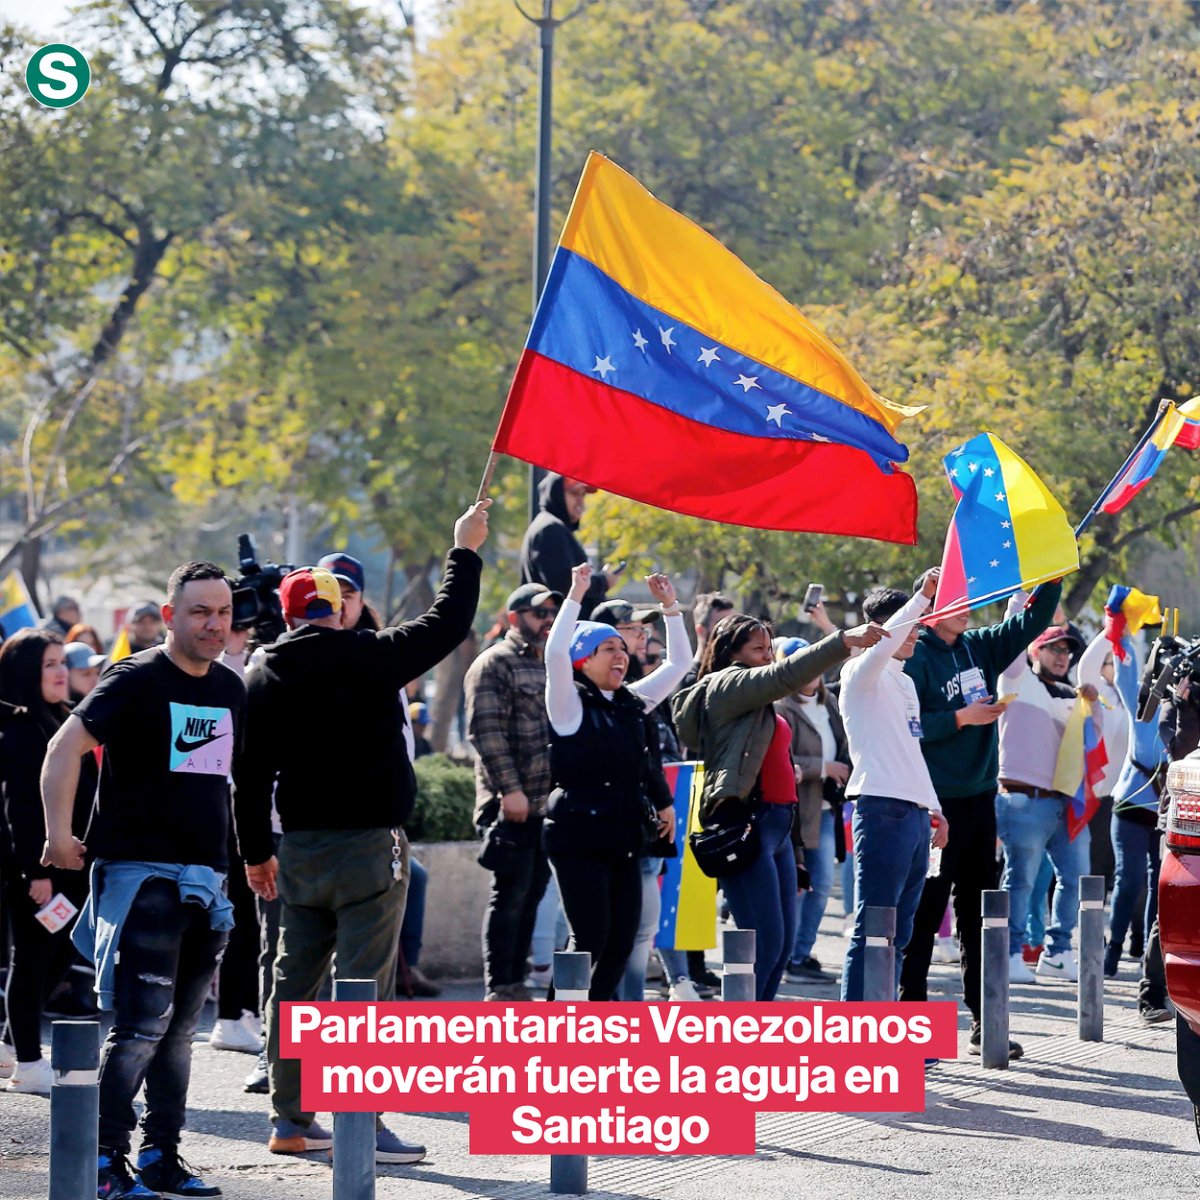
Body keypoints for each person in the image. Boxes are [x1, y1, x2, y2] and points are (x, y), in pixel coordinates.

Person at [233, 500, 488, 1166]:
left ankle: (290, 1120)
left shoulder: (263, 672)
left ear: (289, 615)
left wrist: (256, 853)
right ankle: (362, 1124)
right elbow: (449, 620)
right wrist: (464, 549)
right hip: (371, 847)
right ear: (337, 609)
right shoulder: (371, 655)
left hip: (298, 850)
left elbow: (248, 775)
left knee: (294, 980)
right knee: (365, 986)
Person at [42, 561, 245, 1200]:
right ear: (169, 616)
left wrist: (251, 858)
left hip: (207, 880)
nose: (214, 625)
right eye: (200, 612)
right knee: (142, 1027)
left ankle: (161, 1155)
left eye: (223, 613)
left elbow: (229, 781)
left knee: (181, 1033)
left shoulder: (230, 688)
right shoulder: (133, 678)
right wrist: (58, 836)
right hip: (143, 877)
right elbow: (62, 750)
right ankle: (102, 1160)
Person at [674, 611, 880, 1001]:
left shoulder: (759, 698)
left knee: (781, 945)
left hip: (779, 826)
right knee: (764, 943)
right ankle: (740, 1030)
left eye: (770, 649)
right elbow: (785, 675)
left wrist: (797, 853)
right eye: (759, 649)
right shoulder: (728, 684)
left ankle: (758, 1022)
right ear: (731, 653)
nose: (768, 656)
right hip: (746, 825)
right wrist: (842, 641)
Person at [896, 579, 1059, 1056]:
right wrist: (960, 718)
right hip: (933, 805)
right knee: (925, 914)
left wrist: (1053, 573)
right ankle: (911, 1027)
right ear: (929, 609)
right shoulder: (913, 657)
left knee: (979, 914)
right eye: (954, 601)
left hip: (979, 800)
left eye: (967, 599)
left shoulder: (979, 646)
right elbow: (905, 727)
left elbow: (1032, 620)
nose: (966, 608)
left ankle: (986, 1023)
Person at [542, 564, 687, 1000]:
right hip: (577, 837)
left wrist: (671, 608)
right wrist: (576, 593)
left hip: (623, 838)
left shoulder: (630, 703)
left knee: (621, 943)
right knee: (590, 939)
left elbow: (680, 663)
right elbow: (554, 655)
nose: (621, 655)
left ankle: (597, 1019)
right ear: (582, 659)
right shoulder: (568, 703)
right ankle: (555, 1024)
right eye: (608, 648)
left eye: (623, 648)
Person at [838, 571, 950, 1003]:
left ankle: (884, 1023)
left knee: (901, 932)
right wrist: (921, 597)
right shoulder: (858, 672)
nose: (916, 634)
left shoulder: (905, 681)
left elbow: (911, 750)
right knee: (874, 928)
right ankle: (856, 1027)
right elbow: (882, 646)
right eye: (911, 625)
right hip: (881, 810)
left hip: (915, 815)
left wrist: (935, 807)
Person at [0, 630, 96, 1094]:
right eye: (49, 664)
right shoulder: (18, 728)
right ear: (27, 672)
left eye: (62, 663)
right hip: (35, 870)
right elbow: (18, 807)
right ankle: (28, 1062)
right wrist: (34, 873)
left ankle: (8, 1043)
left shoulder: (63, 717)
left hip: (70, 868)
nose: (61, 673)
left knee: (62, 953)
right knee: (32, 960)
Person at [465, 582, 562, 1002]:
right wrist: (510, 791)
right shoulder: (494, 663)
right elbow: (485, 733)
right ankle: (499, 987)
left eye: (552, 612)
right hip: (510, 805)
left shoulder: (551, 663)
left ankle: (516, 984)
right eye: (539, 613)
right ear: (514, 618)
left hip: (544, 804)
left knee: (533, 893)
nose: (548, 620)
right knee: (510, 895)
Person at [994, 607, 1097, 984]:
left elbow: (1094, 745)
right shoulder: (1016, 678)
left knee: (1077, 878)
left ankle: (1057, 951)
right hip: (1023, 799)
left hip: (1064, 802)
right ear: (1033, 650)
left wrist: (1093, 704)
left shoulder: (1073, 696)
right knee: (1020, 880)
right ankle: (1008, 952)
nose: (1062, 656)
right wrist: (1027, 596)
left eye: (1067, 651)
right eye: (1054, 648)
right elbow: (1012, 629)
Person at [774, 637, 851, 986]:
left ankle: (801, 954)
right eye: (800, 663)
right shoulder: (780, 708)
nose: (811, 672)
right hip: (797, 812)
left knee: (820, 887)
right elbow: (783, 759)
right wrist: (823, 767)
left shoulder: (829, 701)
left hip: (826, 808)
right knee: (798, 888)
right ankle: (788, 956)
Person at [519, 473, 621, 619]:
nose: (581, 501)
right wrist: (602, 581)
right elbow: (567, 584)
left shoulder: (553, 527)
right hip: (561, 626)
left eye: (583, 495)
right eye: (574, 493)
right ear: (556, 494)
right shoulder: (550, 528)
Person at [1076, 630, 1128, 893]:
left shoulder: (1130, 693)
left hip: (1122, 794)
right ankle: (1089, 919)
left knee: (1114, 866)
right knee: (1093, 865)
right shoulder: (1098, 691)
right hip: (1095, 794)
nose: (1117, 666)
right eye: (1111, 661)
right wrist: (1113, 629)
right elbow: (1086, 665)